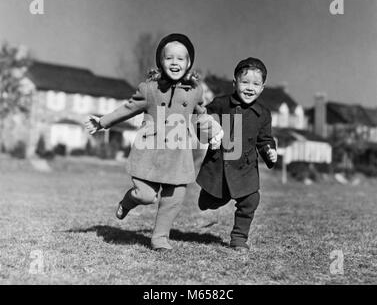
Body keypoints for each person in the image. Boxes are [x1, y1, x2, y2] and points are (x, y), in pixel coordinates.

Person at [85, 33, 223, 250]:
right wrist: (103, 122)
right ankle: (128, 201)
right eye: (169, 58)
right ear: (161, 61)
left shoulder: (196, 91)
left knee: (175, 197)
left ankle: (159, 238)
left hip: (178, 155)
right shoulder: (150, 89)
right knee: (146, 195)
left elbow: (201, 114)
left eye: (180, 59)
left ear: (188, 64)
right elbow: (128, 108)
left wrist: (213, 130)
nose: (175, 63)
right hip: (149, 152)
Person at [196, 57, 278, 251]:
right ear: (235, 83)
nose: (250, 88)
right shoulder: (221, 104)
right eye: (245, 82)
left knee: (251, 199)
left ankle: (239, 238)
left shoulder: (263, 114)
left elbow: (265, 139)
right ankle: (208, 197)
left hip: (245, 167)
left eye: (256, 84)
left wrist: (269, 151)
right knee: (219, 197)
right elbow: (202, 121)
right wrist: (208, 134)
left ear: (262, 88)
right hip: (220, 165)